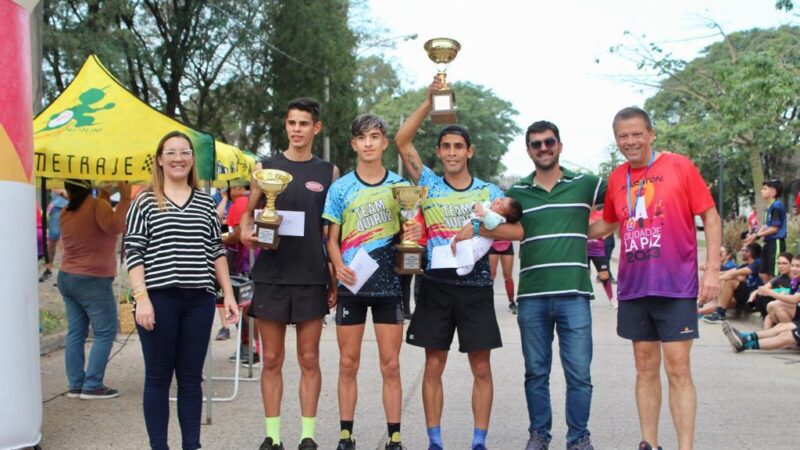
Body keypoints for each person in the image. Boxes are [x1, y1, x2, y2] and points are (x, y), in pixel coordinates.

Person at [395, 80, 522, 450]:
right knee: (433, 367)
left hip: (475, 287)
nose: (452, 153)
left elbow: (518, 229)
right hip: (435, 284)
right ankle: (435, 442)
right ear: (439, 151)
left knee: (481, 369)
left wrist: (480, 225)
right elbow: (402, 141)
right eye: (446, 147)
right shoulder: (429, 183)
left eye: (458, 147)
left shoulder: (489, 192)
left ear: (469, 151)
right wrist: (428, 101)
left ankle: (478, 442)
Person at [589, 107, 721, 450]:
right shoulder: (618, 177)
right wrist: (563, 226)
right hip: (634, 287)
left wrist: (712, 271)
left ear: (651, 134)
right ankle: (648, 443)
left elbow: (710, 215)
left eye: (636, 134)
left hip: (675, 284)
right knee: (644, 366)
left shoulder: (679, 165)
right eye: (623, 136)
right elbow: (609, 223)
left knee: (678, 368)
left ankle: (685, 446)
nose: (630, 141)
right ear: (616, 140)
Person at [125, 131, 239, 450]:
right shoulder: (145, 201)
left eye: (185, 152)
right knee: (159, 378)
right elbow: (133, 252)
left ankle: (192, 445)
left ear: (192, 159)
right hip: (158, 300)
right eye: (171, 152)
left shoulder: (205, 201)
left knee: (191, 378)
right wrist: (142, 298)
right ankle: (159, 446)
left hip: (199, 301)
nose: (179, 158)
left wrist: (228, 294)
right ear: (160, 159)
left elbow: (216, 251)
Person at [239, 97, 338, 450]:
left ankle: (308, 436)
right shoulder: (265, 167)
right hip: (271, 276)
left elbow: (333, 232)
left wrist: (334, 278)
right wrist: (246, 232)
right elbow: (246, 218)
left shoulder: (329, 172)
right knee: (272, 359)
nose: (296, 129)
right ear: (286, 125)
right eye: (291, 123)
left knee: (309, 358)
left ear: (316, 128)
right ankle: (273, 436)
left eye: (303, 123)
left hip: (311, 275)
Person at [504, 120, 605, 450]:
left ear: (560, 146)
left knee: (579, 375)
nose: (543, 148)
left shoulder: (585, 184)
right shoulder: (516, 193)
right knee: (536, 372)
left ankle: (578, 437)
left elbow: (626, 189)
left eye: (549, 142)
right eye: (536, 144)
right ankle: (539, 434)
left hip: (574, 294)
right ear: (528, 150)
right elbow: (492, 223)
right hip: (532, 296)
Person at [323, 114, 420, 450]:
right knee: (347, 363)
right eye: (362, 138)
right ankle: (345, 435)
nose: (368, 143)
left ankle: (394, 437)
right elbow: (331, 238)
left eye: (374, 136)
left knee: (390, 364)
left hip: (389, 287)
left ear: (383, 142)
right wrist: (336, 265)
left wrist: (412, 233)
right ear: (354, 144)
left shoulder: (402, 188)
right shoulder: (340, 188)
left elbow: (410, 233)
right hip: (352, 286)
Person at [56, 179, 131, 400]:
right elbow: (115, 226)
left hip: (67, 276)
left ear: (69, 190)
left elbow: (98, 222)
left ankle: (76, 384)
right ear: (89, 187)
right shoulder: (96, 206)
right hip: (92, 279)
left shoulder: (66, 211)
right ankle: (93, 385)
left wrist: (106, 196)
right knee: (105, 331)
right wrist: (125, 198)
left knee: (76, 332)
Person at [215, 180, 251, 342]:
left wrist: (222, 236)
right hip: (244, 260)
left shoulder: (240, 202)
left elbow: (235, 233)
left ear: (241, 189)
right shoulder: (239, 203)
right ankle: (248, 347)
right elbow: (228, 226)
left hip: (242, 262)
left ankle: (247, 347)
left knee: (242, 305)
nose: (231, 191)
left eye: (234, 188)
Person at [456, 198, 522, 275]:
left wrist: (484, 214)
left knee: (475, 251)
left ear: (504, 216)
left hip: (482, 240)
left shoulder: (498, 218)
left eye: (500, 206)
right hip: (466, 230)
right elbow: (472, 206)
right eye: (501, 199)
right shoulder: (487, 204)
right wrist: (476, 205)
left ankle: (468, 266)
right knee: (459, 243)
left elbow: (490, 225)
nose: (498, 201)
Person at [699, 243, 762, 322]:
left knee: (729, 280)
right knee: (725, 298)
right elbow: (728, 272)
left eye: (743, 250)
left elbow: (732, 273)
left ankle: (720, 314)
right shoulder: (746, 264)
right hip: (743, 296)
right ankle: (702, 311)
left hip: (754, 297)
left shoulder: (757, 263)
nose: (740, 253)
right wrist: (713, 278)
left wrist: (715, 279)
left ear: (749, 252)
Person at [746, 179, 786, 284]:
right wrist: (755, 235)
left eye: (764, 189)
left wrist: (758, 235)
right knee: (762, 273)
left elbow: (774, 228)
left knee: (775, 273)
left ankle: (774, 296)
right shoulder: (769, 207)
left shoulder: (777, 206)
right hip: (768, 242)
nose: (761, 191)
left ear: (773, 192)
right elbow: (766, 225)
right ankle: (768, 295)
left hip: (776, 242)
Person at [748, 251, 793, 324]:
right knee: (761, 296)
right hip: (780, 304)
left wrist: (776, 291)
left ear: (792, 264)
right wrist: (753, 296)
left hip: (792, 307)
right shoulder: (780, 277)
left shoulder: (796, 278)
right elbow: (764, 288)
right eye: (779, 263)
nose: (781, 266)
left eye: (784, 263)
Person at [588, 208, 616, 308]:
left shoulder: (601, 213)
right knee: (585, 275)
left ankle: (612, 299)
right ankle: (587, 298)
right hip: (583, 250)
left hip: (598, 250)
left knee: (604, 275)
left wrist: (603, 235)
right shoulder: (582, 212)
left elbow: (612, 224)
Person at [40, 189, 69, 282]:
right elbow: (53, 188)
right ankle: (48, 270)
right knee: (52, 240)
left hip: (70, 207)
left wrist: (64, 193)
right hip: (56, 208)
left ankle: (66, 273)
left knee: (63, 242)